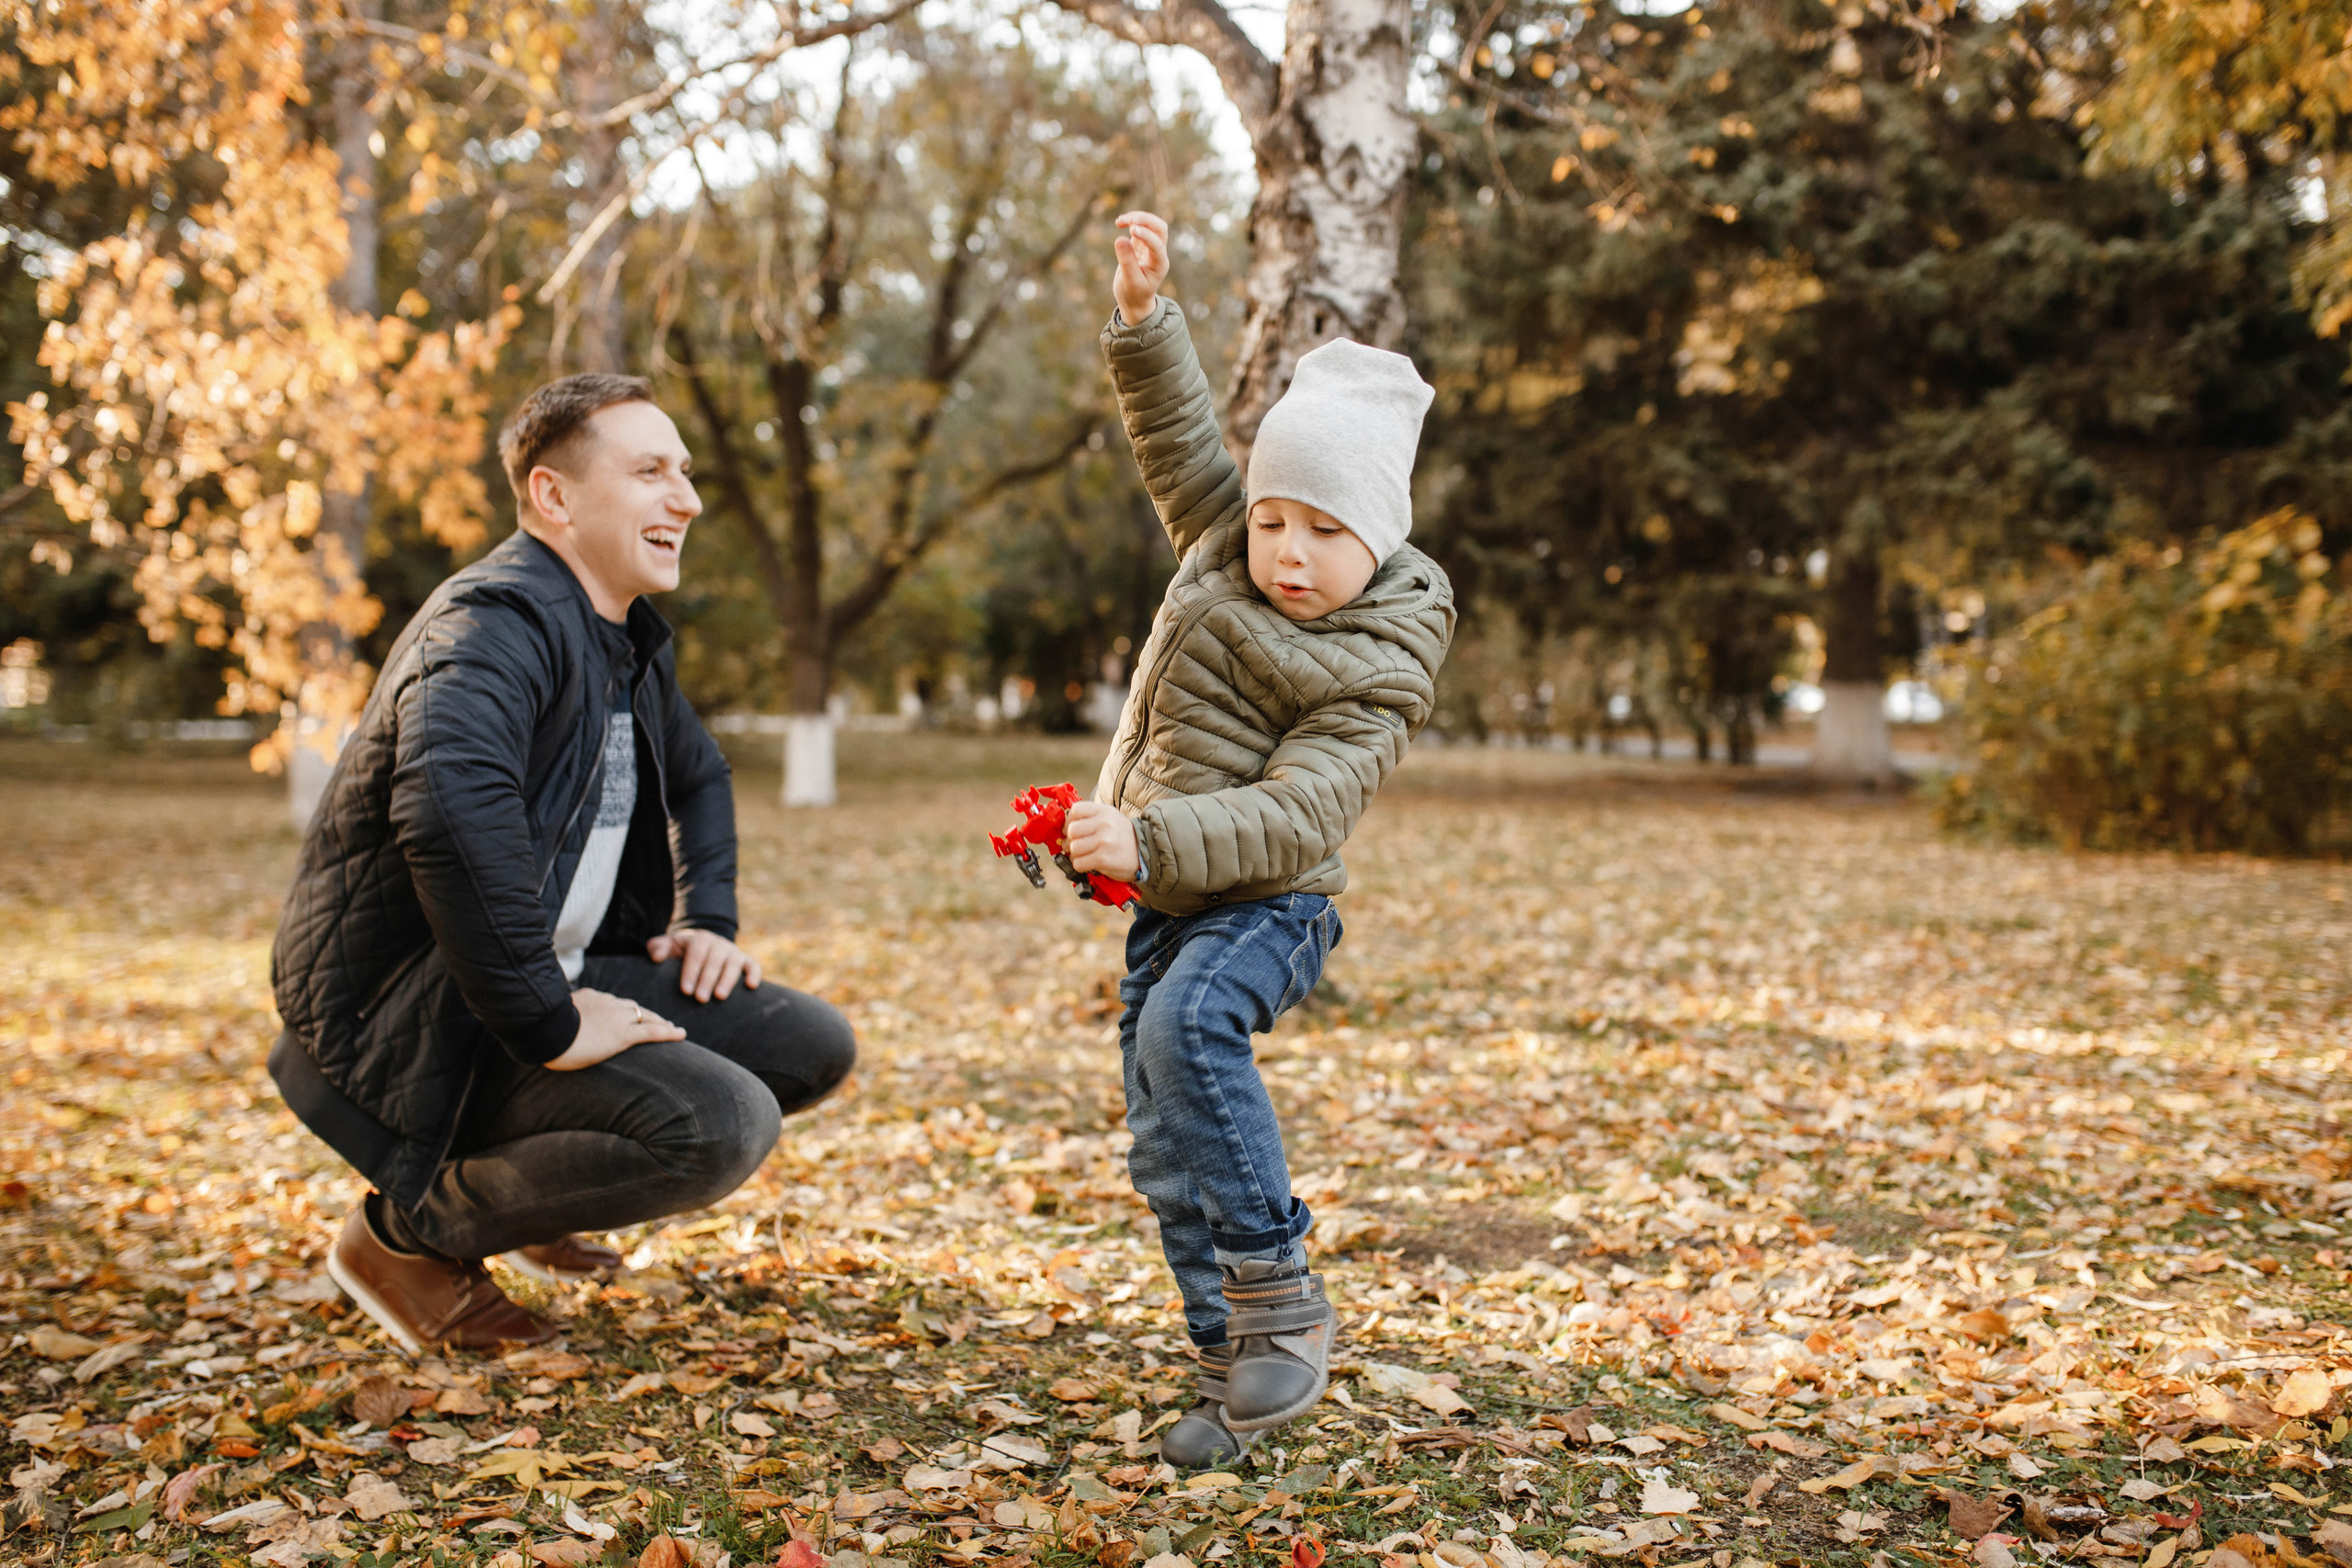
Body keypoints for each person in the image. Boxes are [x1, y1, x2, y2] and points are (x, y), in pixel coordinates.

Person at [269, 373, 856, 1355]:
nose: (688, 499)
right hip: (423, 1013)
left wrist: (709, 917)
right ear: (555, 497)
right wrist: (550, 1020)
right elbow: (449, 811)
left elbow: (702, 777)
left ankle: (531, 1202)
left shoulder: (620, 639)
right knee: (721, 1124)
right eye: (651, 472)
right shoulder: (490, 629)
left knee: (807, 1044)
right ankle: (406, 1237)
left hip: (553, 975)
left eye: (686, 473)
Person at [1061, 212, 1454, 1465]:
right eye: (1275, 517)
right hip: (1168, 891)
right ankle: (1233, 1369)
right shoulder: (1223, 544)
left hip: (1270, 900)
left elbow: (1299, 810)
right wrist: (1145, 315)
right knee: (1164, 1137)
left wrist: (1145, 831)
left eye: (1324, 532)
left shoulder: (1381, 661)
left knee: (1191, 1030)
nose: (1287, 551)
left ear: (1378, 534)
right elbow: (1178, 435)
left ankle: (1281, 1292)